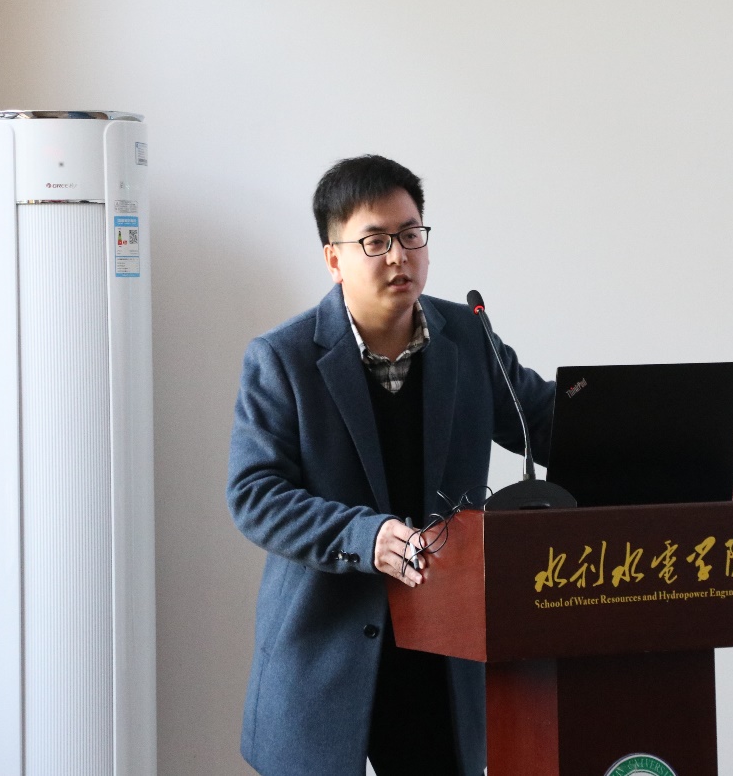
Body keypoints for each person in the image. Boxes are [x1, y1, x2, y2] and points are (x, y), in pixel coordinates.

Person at [227, 155, 554, 776]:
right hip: (326, 651)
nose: (400, 256)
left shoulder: (468, 337)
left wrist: (675, 468)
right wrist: (366, 536)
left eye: (410, 234)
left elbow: (545, 422)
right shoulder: (283, 358)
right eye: (375, 241)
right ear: (334, 258)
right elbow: (255, 493)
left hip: (443, 651)